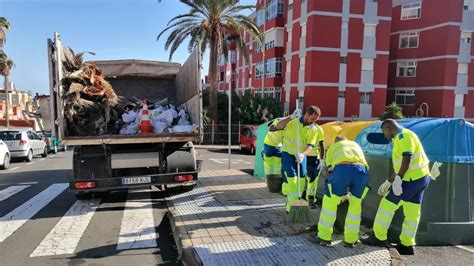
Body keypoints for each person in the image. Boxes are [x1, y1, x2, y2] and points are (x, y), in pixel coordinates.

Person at [362, 119, 431, 255]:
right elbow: (402, 165)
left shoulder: (404, 136)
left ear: (389, 128)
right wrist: (389, 181)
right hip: (420, 178)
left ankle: (379, 237)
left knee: (387, 205)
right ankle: (407, 244)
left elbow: (407, 158)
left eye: (384, 132)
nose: (384, 135)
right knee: (412, 212)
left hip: (410, 180)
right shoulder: (401, 137)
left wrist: (399, 178)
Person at [312, 136, 370, 248]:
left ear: (336, 141)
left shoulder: (334, 147)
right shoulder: (356, 145)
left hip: (342, 169)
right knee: (355, 205)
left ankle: (324, 237)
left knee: (330, 203)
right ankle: (351, 240)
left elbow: (330, 171)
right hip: (362, 171)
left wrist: (337, 191)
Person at [273, 106, 321, 213]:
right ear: (307, 114)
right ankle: (291, 208)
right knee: (293, 182)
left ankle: (292, 198)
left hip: (301, 157)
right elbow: (278, 126)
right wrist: (290, 117)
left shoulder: (313, 129)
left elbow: (310, 146)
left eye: (315, 120)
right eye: (312, 119)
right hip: (288, 155)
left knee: (301, 182)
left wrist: (303, 155)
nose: (313, 122)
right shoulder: (293, 121)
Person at [305, 120, 325, 208]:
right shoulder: (316, 128)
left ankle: (310, 198)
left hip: (311, 157)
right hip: (306, 157)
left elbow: (321, 144)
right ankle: (309, 198)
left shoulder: (318, 129)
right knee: (310, 179)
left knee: (312, 179)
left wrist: (321, 159)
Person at [262, 118, 285, 193]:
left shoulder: (286, 126)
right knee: (269, 164)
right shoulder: (278, 121)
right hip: (270, 145)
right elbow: (271, 128)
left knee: (276, 166)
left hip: (276, 146)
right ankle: (269, 182)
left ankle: (275, 184)